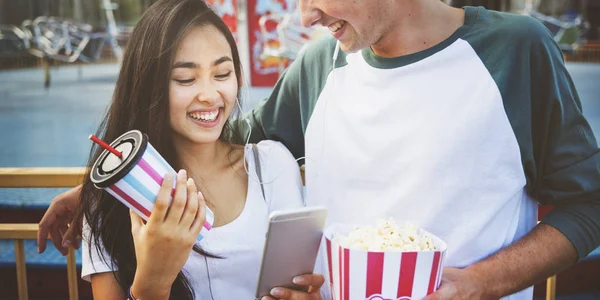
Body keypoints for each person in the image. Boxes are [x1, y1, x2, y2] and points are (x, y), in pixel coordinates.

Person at [39, 0, 600, 299]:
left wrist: (481, 284)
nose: (304, 14)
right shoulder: (318, 65)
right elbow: (217, 144)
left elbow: (588, 205)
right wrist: (99, 189)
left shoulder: (515, 52)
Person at [53, 0, 324, 299]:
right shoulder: (107, 200)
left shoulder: (272, 166)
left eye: (222, 74)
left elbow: (300, 285)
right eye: (185, 79)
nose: (210, 95)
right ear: (146, 85)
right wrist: (152, 283)